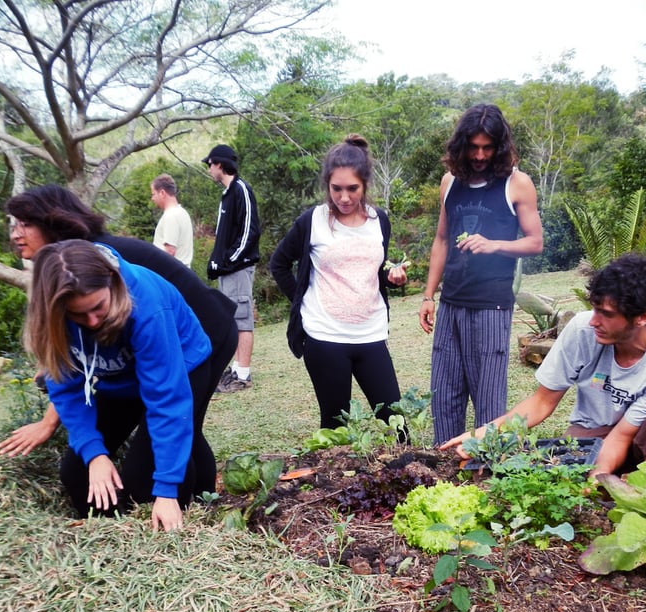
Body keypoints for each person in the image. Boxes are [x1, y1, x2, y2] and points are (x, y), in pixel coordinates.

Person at [0, 184, 237, 498]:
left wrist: (49, 423)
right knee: (139, 448)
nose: (17, 234)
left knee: (179, 426)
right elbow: (67, 368)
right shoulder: (59, 279)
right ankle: (186, 495)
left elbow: (167, 399)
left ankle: (197, 501)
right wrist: (91, 449)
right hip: (143, 349)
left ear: (51, 221)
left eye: (26, 224)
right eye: (14, 224)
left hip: (200, 335)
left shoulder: (97, 264)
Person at [442, 255, 646, 477]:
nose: (594, 321)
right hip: (593, 432)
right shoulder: (582, 330)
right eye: (595, 309)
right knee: (563, 468)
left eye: (607, 314)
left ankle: (644, 494)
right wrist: (487, 433)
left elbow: (623, 435)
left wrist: (599, 476)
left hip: (643, 438)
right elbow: (542, 402)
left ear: (642, 317)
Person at [24, 239, 210, 527]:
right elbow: (66, 391)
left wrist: (166, 492)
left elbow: (166, 401)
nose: (93, 321)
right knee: (76, 473)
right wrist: (95, 454)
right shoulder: (53, 320)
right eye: (78, 315)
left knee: (145, 479)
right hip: (119, 377)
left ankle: (199, 507)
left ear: (113, 282)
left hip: (182, 365)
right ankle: (117, 533)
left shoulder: (146, 307)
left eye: (98, 307)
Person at [418, 104, 543, 445]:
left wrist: (494, 245)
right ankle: (446, 459)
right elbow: (442, 240)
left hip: (491, 304)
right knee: (444, 394)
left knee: (487, 397)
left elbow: (535, 242)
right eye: (473, 147)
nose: (479, 155)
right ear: (462, 145)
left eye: (487, 147)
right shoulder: (450, 182)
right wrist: (429, 296)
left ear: (499, 146)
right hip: (451, 302)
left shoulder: (517, 184)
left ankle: (486, 464)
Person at [269, 134, 408, 430]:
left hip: (371, 335)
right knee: (336, 429)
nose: (344, 197)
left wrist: (392, 278)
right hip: (325, 338)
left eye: (352, 188)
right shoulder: (312, 221)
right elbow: (278, 264)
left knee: (396, 423)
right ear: (327, 185)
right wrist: (302, 301)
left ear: (365, 184)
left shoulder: (379, 221)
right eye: (337, 189)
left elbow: (372, 271)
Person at [202, 143, 261, 393]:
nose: (209, 169)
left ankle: (243, 374)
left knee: (242, 318)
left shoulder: (241, 189)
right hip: (227, 271)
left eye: (210, 164)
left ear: (219, 164)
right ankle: (236, 369)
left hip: (238, 269)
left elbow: (250, 231)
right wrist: (216, 263)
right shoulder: (227, 194)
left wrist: (228, 261)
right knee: (231, 320)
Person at [150, 173, 195, 268]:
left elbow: (170, 252)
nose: (152, 198)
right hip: (183, 271)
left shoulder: (171, 216)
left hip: (171, 273)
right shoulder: (182, 212)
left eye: (153, 194)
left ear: (162, 193)